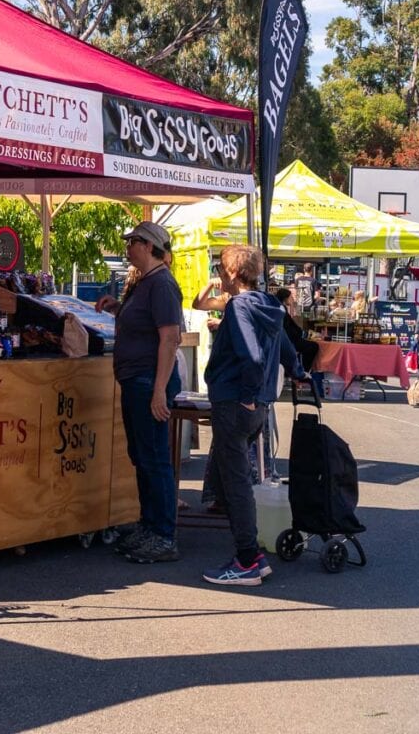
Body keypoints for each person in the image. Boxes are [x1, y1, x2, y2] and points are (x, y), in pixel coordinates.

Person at [201, 244, 303, 588]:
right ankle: (250, 557)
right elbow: (286, 348)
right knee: (235, 478)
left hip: (236, 402)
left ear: (231, 273)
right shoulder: (270, 304)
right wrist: (298, 371)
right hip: (255, 403)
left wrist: (245, 395)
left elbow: (254, 355)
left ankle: (247, 559)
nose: (219, 276)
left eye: (220, 270)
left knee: (236, 482)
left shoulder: (240, 306)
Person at [96, 221, 182, 564]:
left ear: (148, 245)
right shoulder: (147, 282)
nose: (128, 247)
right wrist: (118, 309)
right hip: (139, 379)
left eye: (132, 242)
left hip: (148, 380)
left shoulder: (160, 284)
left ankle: (162, 534)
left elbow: (170, 338)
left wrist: (159, 390)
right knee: (143, 456)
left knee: (154, 458)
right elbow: (149, 326)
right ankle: (151, 525)